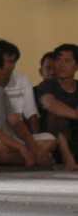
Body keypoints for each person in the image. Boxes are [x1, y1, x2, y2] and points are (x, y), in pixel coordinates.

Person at [36, 43, 78, 171]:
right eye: (58, 60)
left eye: (67, 61)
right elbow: (51, 104)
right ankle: (68, 159)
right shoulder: (47, 85)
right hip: (53, 135)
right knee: (57, 115)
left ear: (76, 66)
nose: (61, 64)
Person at [0, 39, 41, 134]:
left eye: (11, 61)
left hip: (19, 135)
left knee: (49, 139)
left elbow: (31, 112)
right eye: (3, 61)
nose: (7, 66)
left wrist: (35, 138)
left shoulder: (22, 80)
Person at [34, 51, 56, 125]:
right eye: (48, 68)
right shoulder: (31, 93)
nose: (52, 72)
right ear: (41, 71)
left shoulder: (71, 89)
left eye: (55, 69)